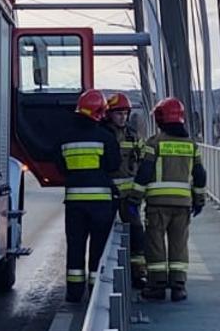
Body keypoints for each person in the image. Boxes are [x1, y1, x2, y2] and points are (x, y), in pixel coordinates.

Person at [134, 97, 206, 301]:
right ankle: (178, 286)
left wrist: (134, 199)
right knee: (179, 244)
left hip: (157, 204)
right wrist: (199, 199)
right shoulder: (191, 145)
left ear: (159, 119)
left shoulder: (154, 143)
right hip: (183, 205)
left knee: (155, 243)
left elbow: (145, 172)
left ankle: (156, 286)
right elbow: (200, 175)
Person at [58, 88, 121, 303]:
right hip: (101, 204)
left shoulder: (65, 137)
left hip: (74, 204)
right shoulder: (106, 137)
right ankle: (95, 292)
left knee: (75, 248)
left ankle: (74, 293)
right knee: (98, 248)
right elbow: (114, 165)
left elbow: (60, 167)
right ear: (99, 112)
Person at [104, 92, 148, 289]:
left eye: (125, 113)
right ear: (109, 114)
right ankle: (104, 274)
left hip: (129, 198)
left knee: (137, 231)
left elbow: (143, 162)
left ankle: (138, 273)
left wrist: (139, 194)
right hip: (109, 194)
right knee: (104, 233)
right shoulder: (104, 134)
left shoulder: (134, 136)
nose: (122, 117)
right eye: (118, 113)